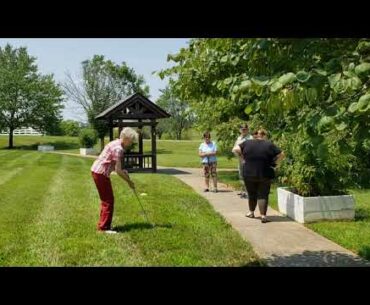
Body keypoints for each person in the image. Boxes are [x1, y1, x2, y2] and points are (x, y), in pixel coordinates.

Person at [91, 127, 138, 234]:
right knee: (108, 200)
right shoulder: (119, 149)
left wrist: (123, 170)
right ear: (126, 138)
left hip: (97, 171)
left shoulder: (116, 143)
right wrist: (129, 182)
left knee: (106, 200)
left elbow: (116, 165)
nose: (131, 143)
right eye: (131, 141)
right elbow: (118, 170)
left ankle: (102, 225)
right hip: (100, 173)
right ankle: (104, 228)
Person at [233, 129, 284, 223]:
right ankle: (263, 216)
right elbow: (281, 154)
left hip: (248, 173)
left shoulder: (247, 143)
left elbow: (236, 149)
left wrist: (242, 159)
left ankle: (251, 213)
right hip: (264, 173)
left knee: (252, 194)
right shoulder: (269, 144)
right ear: (264, 135)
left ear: (255, 135)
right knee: (263, 194)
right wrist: (276, 163)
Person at [232, 124, 253, 198]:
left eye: (245, 129)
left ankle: (248, 192)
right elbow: (234, 148)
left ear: (247, 130)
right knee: (241, 175)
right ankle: (243, 191)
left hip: (247, 160)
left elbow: (250, 150)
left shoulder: (250, 138)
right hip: (240, 160)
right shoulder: (239, 138)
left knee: (248, 176)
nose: (243, 130)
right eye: (242, 129)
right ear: (240, 130)